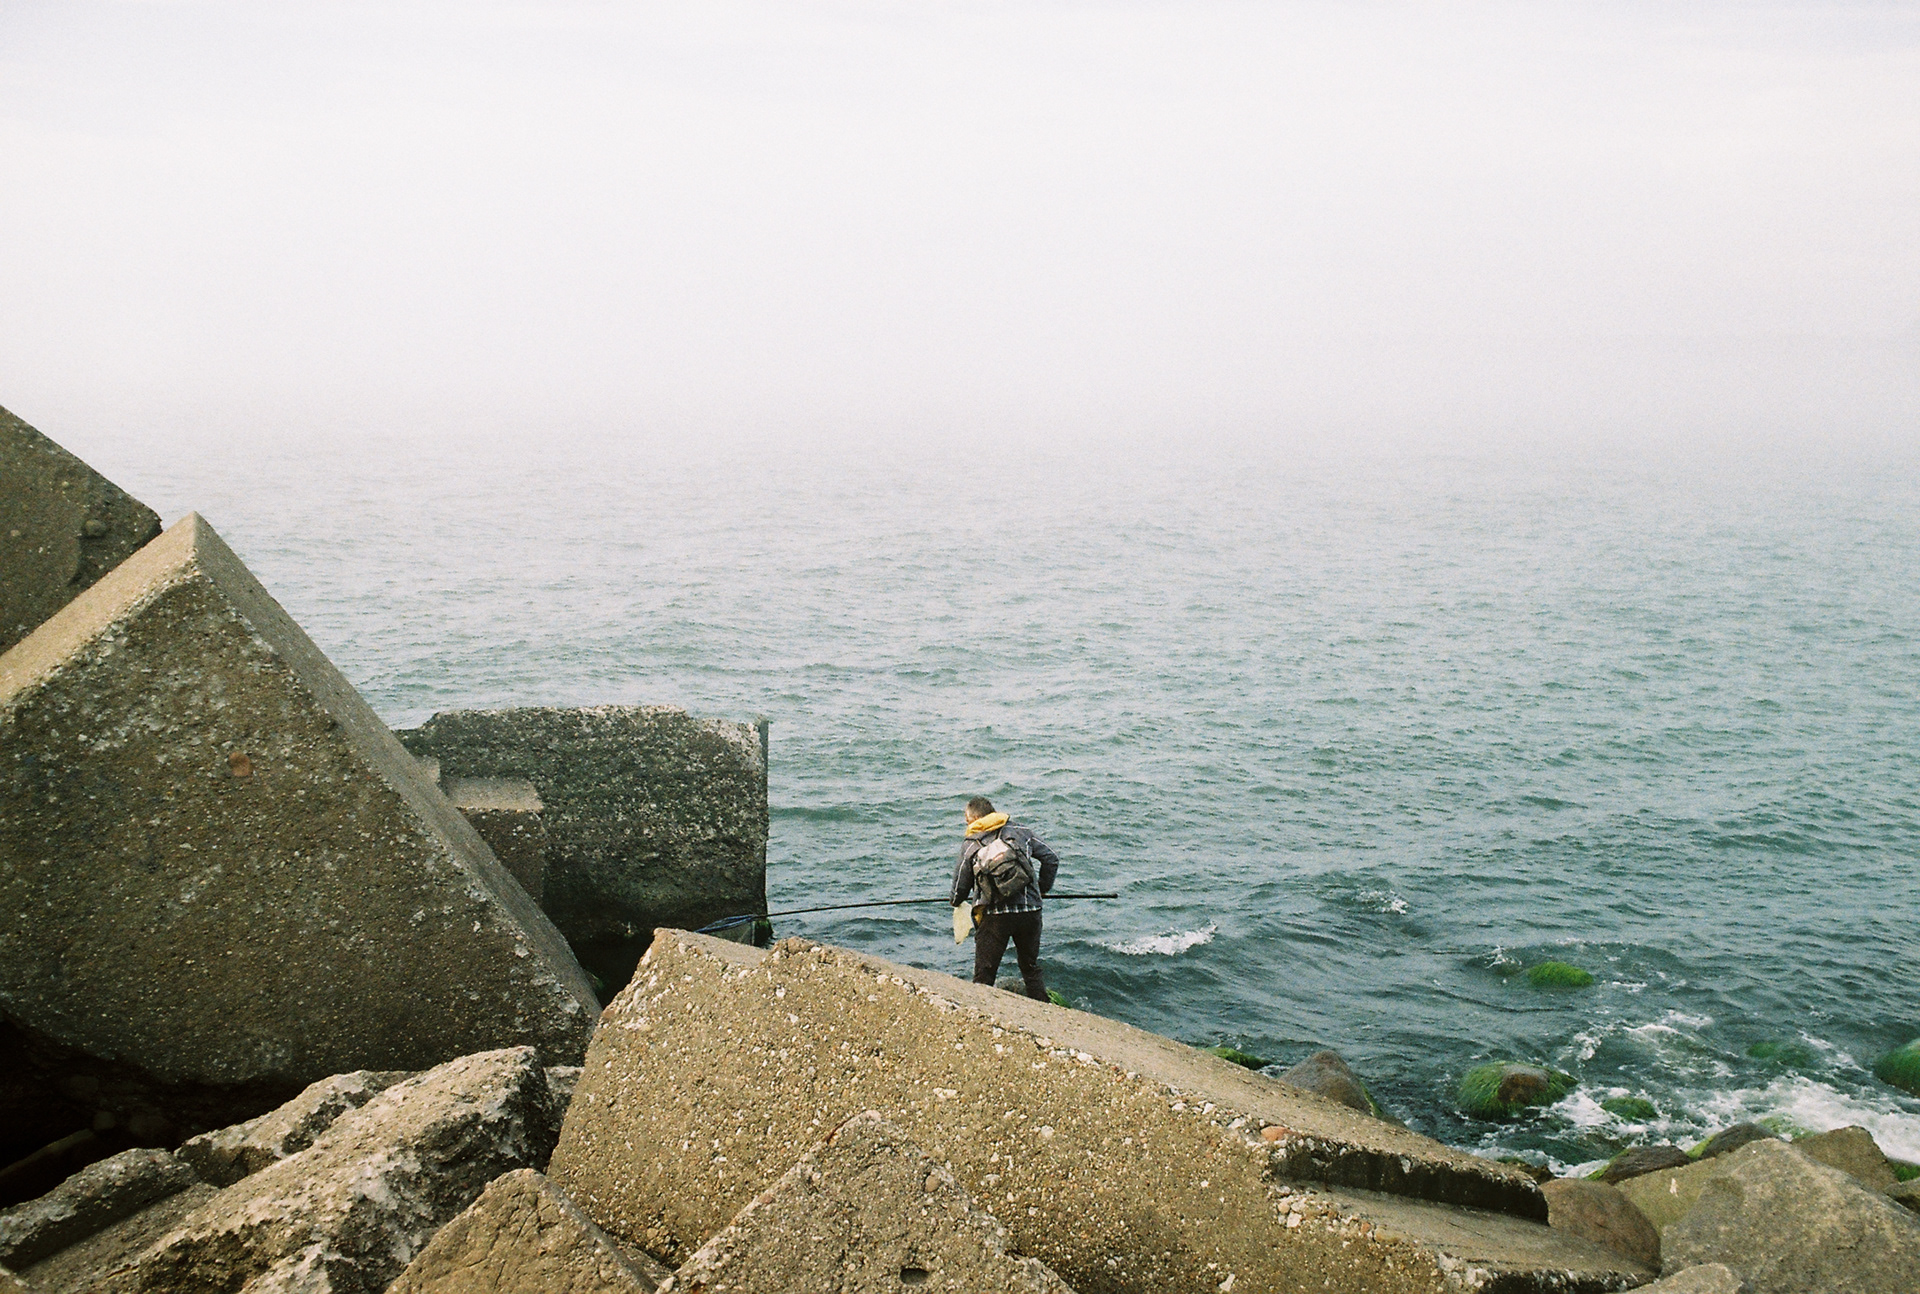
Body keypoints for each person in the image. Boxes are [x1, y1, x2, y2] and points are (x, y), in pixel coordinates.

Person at [950, 795, 1059, 1001]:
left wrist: (956, 901)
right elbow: (1051, 858)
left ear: (974, 819)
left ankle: (980, 1013)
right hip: (1030, 910)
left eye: (967, 820)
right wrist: (1041, 890)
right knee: (1030, 967)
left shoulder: (972, 842)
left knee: (984, 974)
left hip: (994, 914)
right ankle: (1045, 1012)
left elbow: (960, 884)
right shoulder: (1022, 832)